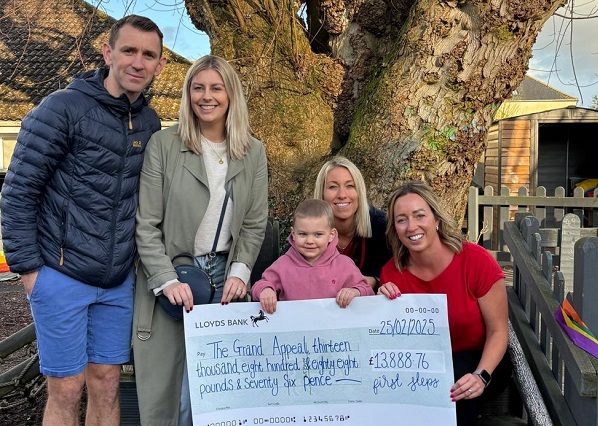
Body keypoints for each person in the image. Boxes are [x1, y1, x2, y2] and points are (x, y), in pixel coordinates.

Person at [0, 15, 166, 425]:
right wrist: (29, 270)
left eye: (149, 55)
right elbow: (18, 191)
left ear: (160, 65)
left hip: (116, 282)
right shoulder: (62, 108)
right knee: (67, 388)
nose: (138, 62)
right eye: (129, 50)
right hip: (61, 275)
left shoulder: (150, 124)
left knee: (108, 382)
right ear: (108, 53)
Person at [133, 55, 268, 425]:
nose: (206, 97)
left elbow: (255, 222)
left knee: (216, 396)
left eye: (215, 88)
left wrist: (240, 273)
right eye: (198, 87)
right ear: (187, 93)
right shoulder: (164, 144)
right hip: (174, 274)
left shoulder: (252, 152)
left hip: (225, 279)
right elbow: (146, 224)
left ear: (231, 94)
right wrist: (165, 279)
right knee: (170, 396)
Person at [377, 181, 510, 426]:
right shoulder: (392, 273)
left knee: (455, 376)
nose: (412, 226)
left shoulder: (476, 261)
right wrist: (383, 304)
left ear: (436, 219)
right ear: (395, 229)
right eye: (402, 219)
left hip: (482, 363)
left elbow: (499, 331)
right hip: (425, 366)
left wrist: (481, 376)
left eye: (419, 216)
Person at [251, 199, 374, 313]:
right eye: (303, 234)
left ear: (331, 235)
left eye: (318, 234)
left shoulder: (344, 265)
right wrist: (266, 290)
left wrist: (355, 292)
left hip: (334, 333)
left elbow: (367, 292)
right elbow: (259, 285)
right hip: (293, 331)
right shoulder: (283, 265)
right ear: (293, 234)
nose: (310, 241)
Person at [314, 156, 392, 290]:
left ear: (359, 191)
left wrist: (375, 281)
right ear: (321, 193)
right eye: (333, 187)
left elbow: (402, 270)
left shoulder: (383, 226)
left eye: (350, 186)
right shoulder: (308, 226)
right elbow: (286, 269)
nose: (342, 194)